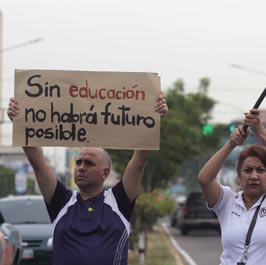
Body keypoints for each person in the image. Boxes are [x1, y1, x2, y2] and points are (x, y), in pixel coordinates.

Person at [7, 93, 168, 265]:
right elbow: (38, 164)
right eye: (78, 162)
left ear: (105, 173)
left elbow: (139, 162)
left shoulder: (118, 201)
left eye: (89, 163)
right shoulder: (61, 201)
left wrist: (154, 118)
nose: (81, 167)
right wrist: (19, 121)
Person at [198, 109, 266, 265]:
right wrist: (231, 144)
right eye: (248, 170)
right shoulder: (228, 201)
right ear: (239, 176)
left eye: (261, 170)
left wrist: (260, 130)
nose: (254, 176)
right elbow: (204, 179)